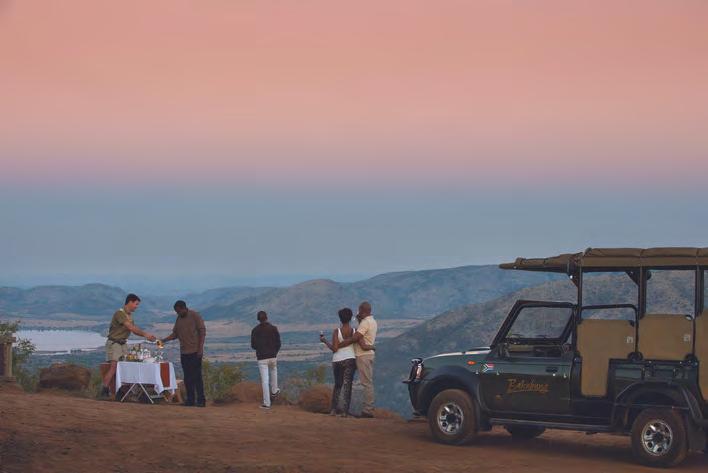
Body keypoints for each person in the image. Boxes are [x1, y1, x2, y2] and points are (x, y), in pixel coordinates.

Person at [320, 307, 375, 417]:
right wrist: (372, 347)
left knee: (338, 385)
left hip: (337, 360)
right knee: (347, 386)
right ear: (350, 318)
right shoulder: (355, 331)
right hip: (350, 360)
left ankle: (333, 410)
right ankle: (345, 412)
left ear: (340, 319)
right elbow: (363, 345)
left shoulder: (336, 331)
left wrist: (325, 341)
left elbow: (334, 349)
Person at [101, 294, 156, 397]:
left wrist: (146, 336)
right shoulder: (120, 313)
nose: (137, 307)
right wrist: (145, 334)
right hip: (114, 343)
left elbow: (134, 329)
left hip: (123, 343)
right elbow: (130, 327)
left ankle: (122, 391)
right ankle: (104, 390)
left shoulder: (129, 316)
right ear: (130, 302)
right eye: (136, 304)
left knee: (126, 367)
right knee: (114, 367)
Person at [160, 300, 207, 407]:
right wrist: (164, 340)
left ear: (184, 308)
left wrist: (200, 348)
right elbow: (175, 334)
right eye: (176, 312)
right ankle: (190, 400)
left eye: (178, 311)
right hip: (184, 352)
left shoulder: (194, 316)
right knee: (187, 378)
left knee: (197, 377)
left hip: (195, 351)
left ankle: (201, 400)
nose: (178, 313)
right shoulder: (179, 319)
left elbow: (202, 331)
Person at [345, 301, 378, 418]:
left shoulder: (365, 323)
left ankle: (367, 410)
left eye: (359, 310)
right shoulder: (372, 321)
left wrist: (341, 344)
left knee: (366, 383)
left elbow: (356, 337)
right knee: (367, 382)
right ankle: (368, 408)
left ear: (362, 311)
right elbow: (362, 338)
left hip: (363, 355)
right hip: (368, 354)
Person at [251, 311, 281, 409]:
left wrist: (260, 348)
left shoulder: (255, 330)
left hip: (262, 358)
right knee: (274, 371)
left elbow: (253, 345)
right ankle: (274, 390)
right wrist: (275, 352)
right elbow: (278, 343)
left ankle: (267, 403)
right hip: (273, 356)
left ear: (258, 319)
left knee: (265, 380)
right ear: (266, 317)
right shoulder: (273, 328)